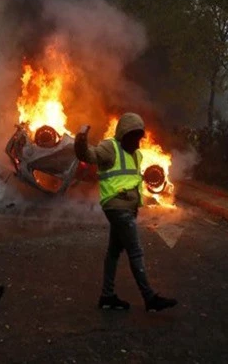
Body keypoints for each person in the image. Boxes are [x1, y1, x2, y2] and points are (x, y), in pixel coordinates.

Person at [74, 112, 177, 312]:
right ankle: (150, 298)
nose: (138, 142)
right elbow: (87, 155)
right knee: (135, 251)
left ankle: (107, 296)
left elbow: (133, 181)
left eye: (139, 137)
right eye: (134, 137)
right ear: (123, 135)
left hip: (128, 209)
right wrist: (81, 138)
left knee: (114, 252)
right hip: (117, 207)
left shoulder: (137, 155)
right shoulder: (109, 147)